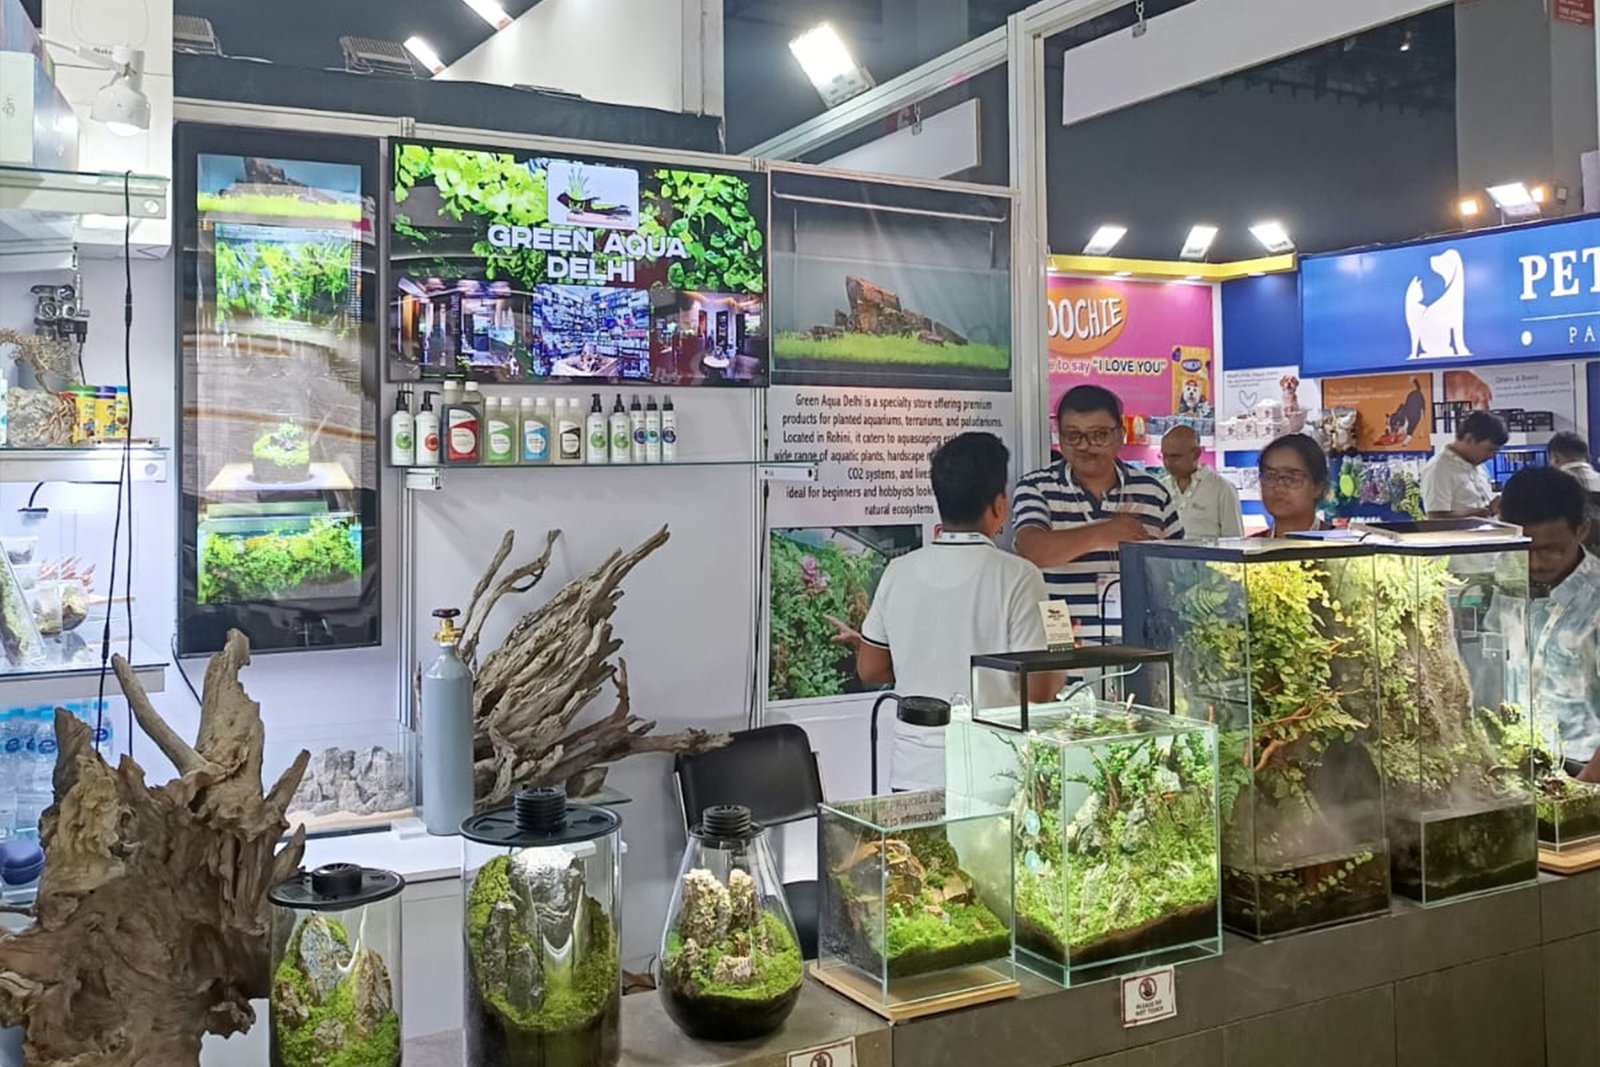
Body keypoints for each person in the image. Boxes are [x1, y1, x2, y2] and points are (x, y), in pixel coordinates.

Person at [828, 432, 1057, 792]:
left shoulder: (898, 571)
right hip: (994, 771)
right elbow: (1040, 690)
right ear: (1000, 505)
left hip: (914, 769)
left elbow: (870, 669)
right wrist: (1063, 653)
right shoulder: (1020, 577)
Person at [1013, 386, 1182, 644]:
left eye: (1099, 435)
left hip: (1138, 647)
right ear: (1059, 436)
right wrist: (1102, 534)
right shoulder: (1037, 487)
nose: (1085, 446)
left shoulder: (1152, 492)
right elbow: (1032, 550)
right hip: (1063, 649)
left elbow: (1179, 571)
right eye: (1073, 436)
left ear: (1120, 435)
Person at [1499, 467, 1600, 782]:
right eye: (1525, 549)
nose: (1536, 563)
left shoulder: (1595, 599)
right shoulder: (1499, 582)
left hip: (1583, 767)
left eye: (1552, 550)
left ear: (1582, 530)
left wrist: (1584, 787)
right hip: (1515, 760)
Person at [1159, 425, 1243, 538]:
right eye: (1164, 456)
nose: (1167, 462)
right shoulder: (1160, 489)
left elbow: (1234, 539)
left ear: (1196, 454)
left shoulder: (1222, 489)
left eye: (1175, 456)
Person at [1420, 411, 1508, 519]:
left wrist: (1493, 508)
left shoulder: (1478, 467)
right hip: (1461, 530)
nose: (1491, 456)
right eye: (1489, 450)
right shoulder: (1439, 469)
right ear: (1469, 439)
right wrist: (1476, 514)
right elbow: (1435, 518)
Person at [1254, 434, 1330, 537]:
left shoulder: (1340, 544)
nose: (1279, 488)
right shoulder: (1251, 545)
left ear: (1317, 487)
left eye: (1292, 478)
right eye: (1270, 476)